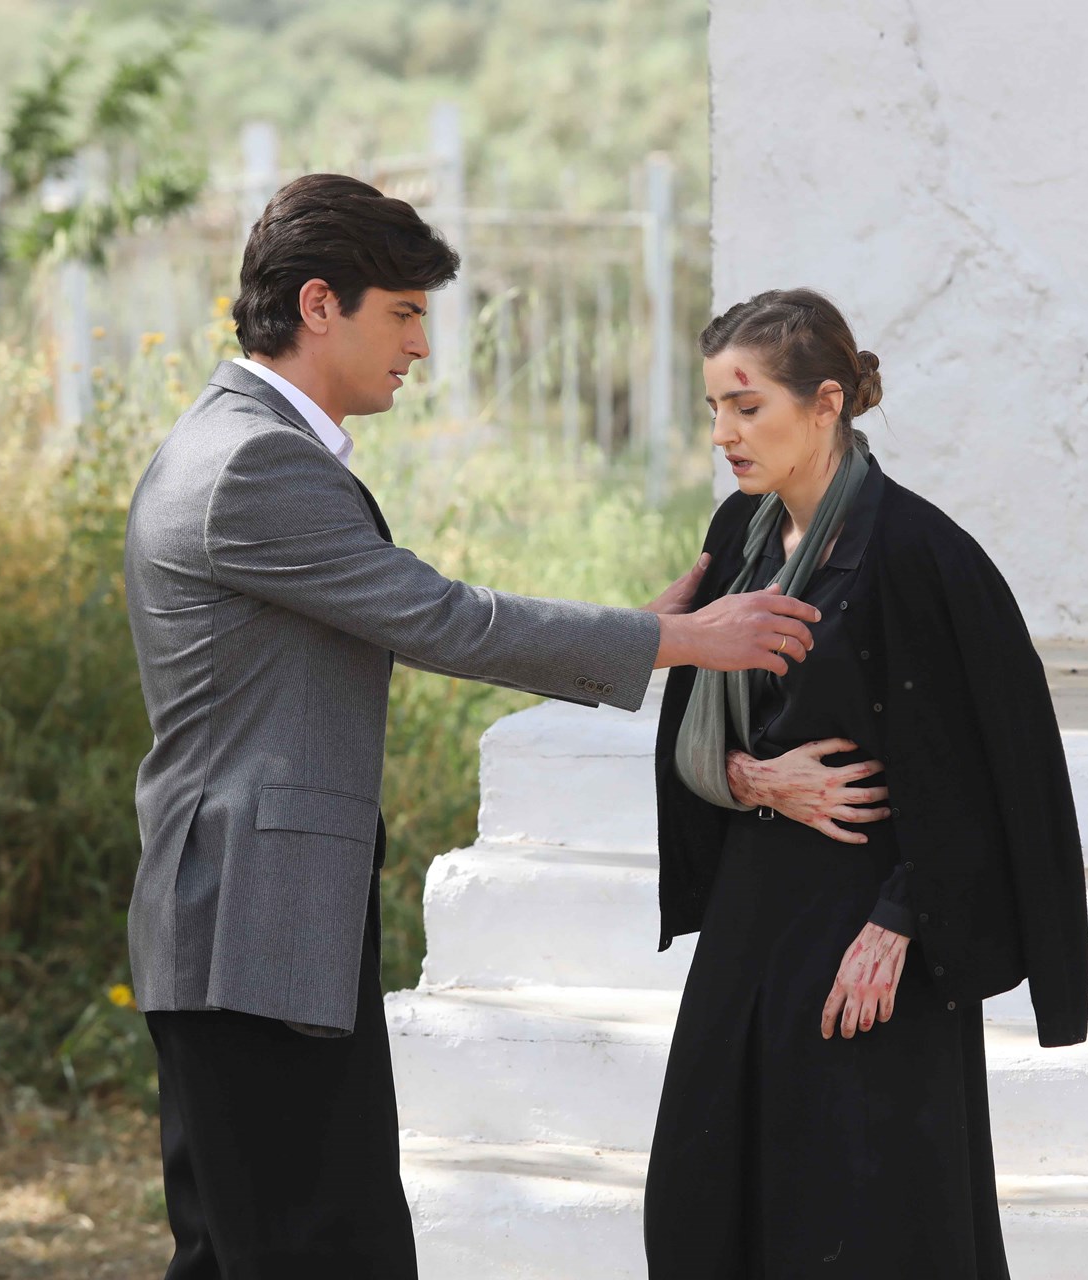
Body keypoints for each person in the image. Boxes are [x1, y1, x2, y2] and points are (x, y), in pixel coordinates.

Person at [122, 174, 820, 1280]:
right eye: (403, 313)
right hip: (252, 921)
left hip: (246, 917)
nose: (420, 345)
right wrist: (680, 641)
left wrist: (641, 634)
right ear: (318, 305)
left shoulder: (232, 442)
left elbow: (411, 616)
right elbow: (440, 617)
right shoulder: (254, 461)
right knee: (317, 1250)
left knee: (241, 1249)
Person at [646, 288, 1088, 1278]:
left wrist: (899, 923)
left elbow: (978, 762)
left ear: (826, 404)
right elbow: (700, 711)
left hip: (872, 912)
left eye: (747, 406)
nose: (723, 434)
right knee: (705, 1172)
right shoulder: (740, 530)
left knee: (863, 1198)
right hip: (756, 900)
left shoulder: (918, 553)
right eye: (714, 408)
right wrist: (751, 778)